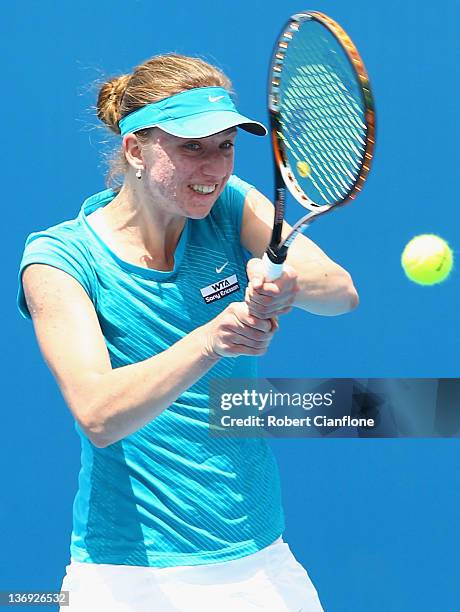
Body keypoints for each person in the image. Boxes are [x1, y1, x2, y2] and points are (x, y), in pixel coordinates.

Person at [17, 54, 358, 611]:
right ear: (134, 150)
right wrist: (209, 340)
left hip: (260, 561)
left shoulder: (229, 206)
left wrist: (286, 281)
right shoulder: (58, 260)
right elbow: (99, 415)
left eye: (225, 145)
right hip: (127, 576)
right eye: (191, 147)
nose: (215, 168)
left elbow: (341, 292)